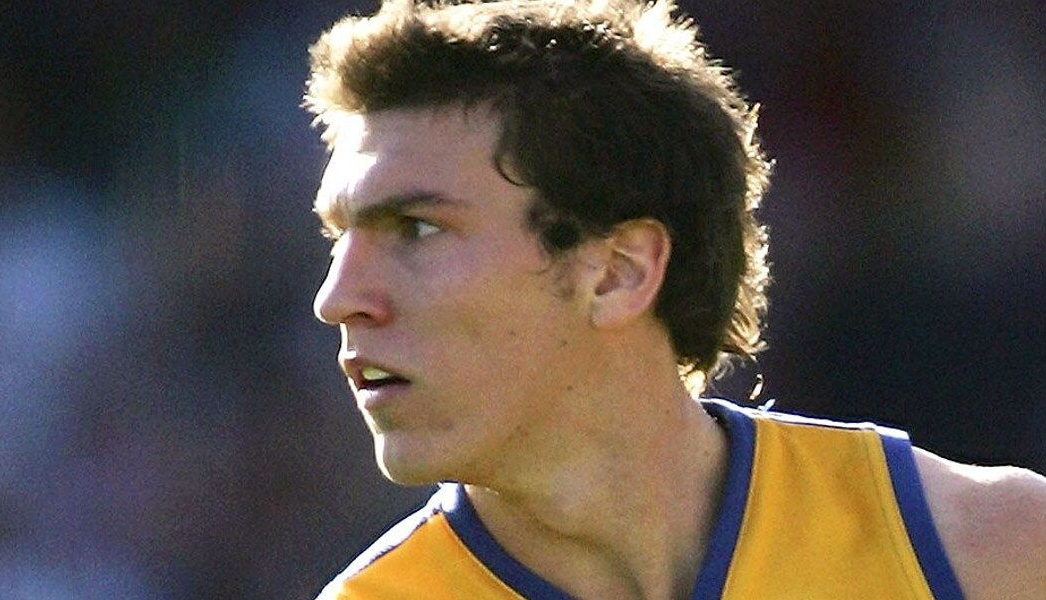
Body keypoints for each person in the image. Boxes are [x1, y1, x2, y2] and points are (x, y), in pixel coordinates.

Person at [303, 0, 1046, 598]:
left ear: (619, 272)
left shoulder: (992, 553)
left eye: (418, 228)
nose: (337, 299)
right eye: (339, 237)